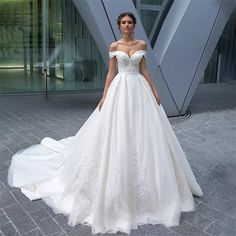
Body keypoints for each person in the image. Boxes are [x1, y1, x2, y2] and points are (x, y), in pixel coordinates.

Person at [8, 12, 203, 235]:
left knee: (145, 134)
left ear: (134, 25)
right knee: (117, 132)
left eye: (130, 22)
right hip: (120, 90)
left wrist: (155, 91)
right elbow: (110, 73)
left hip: (139, 91)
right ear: (119, 25)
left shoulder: (141, 44)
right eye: (123, 22)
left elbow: (144, 71)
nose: (127, 25)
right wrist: (104, 95)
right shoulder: (114, 45)